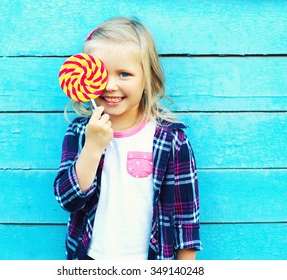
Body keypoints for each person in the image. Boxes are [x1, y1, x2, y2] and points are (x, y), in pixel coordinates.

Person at [54, 16, 201, 260]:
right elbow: (67, 199)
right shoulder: (80, 132)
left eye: (124, 74)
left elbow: (186, 221)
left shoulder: (171, 140)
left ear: (147, 79)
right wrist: (92, 147)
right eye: (101, 74)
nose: (110, 85)